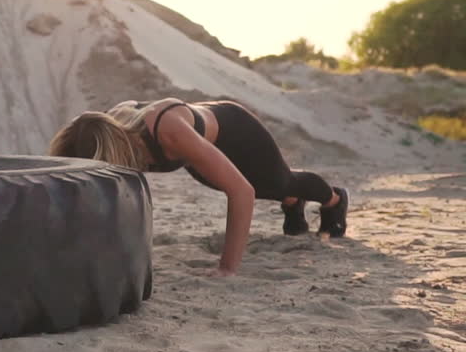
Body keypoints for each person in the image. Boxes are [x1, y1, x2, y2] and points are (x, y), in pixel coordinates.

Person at [48, 98, 349, 276]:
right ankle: (291, 202)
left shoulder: (168, 133)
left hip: (238, 133)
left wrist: (227, 269)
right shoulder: (108, 133)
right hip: (197, 150)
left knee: (275, 182)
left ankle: (333, 200)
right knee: (236, 183)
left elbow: (240, 193)